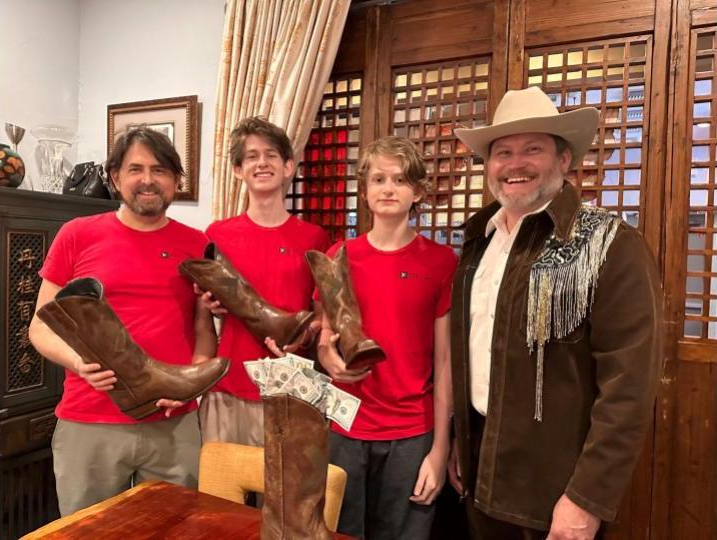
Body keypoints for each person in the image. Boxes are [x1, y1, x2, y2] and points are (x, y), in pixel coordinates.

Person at [448, 86, 662, 539]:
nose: (515, 163)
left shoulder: (610, 244)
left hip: (553, 497)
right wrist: (461, 446)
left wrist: (587, 498)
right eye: (502, 151)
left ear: (564, 160)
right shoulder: (476, 242)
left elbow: (629, 389)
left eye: (533, 149)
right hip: (477, 476)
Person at [28, 127, 217, 516]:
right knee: (87, 530)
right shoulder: (76, 234)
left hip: (173, 422)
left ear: (176, 181)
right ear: (115, 177)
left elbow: (204, 330)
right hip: (89, 418)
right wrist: (79, 363)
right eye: (136, 169)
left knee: (175, 529)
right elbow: (40, 326)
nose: (148, 180)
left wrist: (191, 384)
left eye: (160, 170)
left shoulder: (197, 245)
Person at [316, 136, 458, 540]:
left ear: (417, 192)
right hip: (344, 426)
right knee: (339, 532)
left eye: (399, 179)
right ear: (364, 191)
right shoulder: (339, 254)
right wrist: (329, 358)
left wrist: (440, 449)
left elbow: (445, 360)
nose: (388, 188)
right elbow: (325, 335)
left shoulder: (441, 261)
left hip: (412, 431)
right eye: (378, 179)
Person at [197, 116, 329, 447]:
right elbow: (201, 311)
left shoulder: (315, 237)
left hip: (292, 384)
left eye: (271, 155)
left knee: (285, 497)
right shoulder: (217, 234)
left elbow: (322, 313)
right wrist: (208, 306)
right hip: (228, 385)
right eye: (252, 156)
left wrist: (302, 337)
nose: (262, 163)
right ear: (238, 170)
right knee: (221, 495)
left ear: (288, 166)